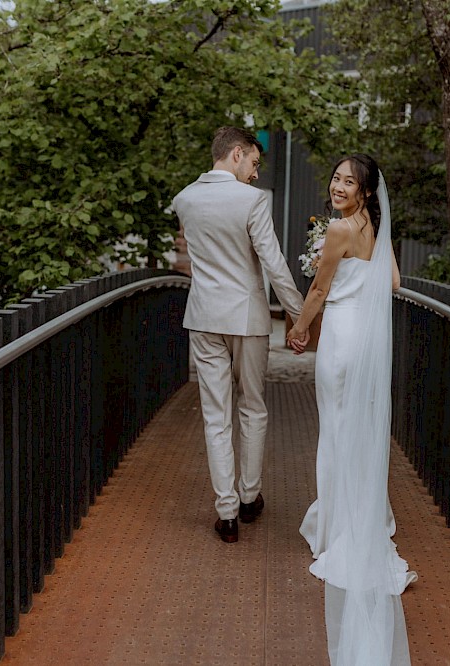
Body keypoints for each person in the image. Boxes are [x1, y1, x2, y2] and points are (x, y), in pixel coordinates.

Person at [287, 154, 416, 665]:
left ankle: (335, 530)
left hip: (341, 337)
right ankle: (357, 517)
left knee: (336, 431)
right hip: (368, 338)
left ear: (365, 191)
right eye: (336, 178)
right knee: (358, 431)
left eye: (349, 182)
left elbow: (319, 288)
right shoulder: (374, 231)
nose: (339, 186)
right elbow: (394, 283)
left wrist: (299, 328)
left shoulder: (339, 230)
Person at [171, 127, 308, 544]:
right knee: (252, 406)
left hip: (204, 316)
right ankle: (249, 497)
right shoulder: (252, 200)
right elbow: (273, 262)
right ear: (236, 153)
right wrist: (300, 315)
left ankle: (226, 512)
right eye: (253, 162)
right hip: (247, 317)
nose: (255, 173)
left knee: (216, 416)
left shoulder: (184, 199)